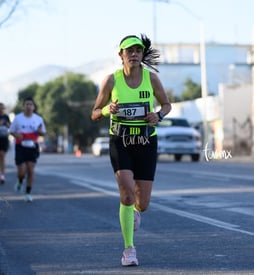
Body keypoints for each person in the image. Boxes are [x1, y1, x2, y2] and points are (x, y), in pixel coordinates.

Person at [91, 34, 171, 266]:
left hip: (146, 142)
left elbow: (166, 104)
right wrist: (108, 109)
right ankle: (129, 249)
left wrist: (159, 115)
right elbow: (94, 112)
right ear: (121, 55)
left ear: (142, 54)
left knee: (142, 203)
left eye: (138, 50)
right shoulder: (111, 81)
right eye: (129, 51)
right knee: (126, 194)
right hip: (120, 142)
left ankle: (134, 212)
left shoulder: (151, 79)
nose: (134, 54)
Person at [9, 97, 46, 202]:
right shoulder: (18, 118)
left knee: (30, 169)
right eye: (27, 104)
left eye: (31, 104)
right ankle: (20, 181)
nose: (29, 106)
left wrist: (40, 131)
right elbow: (11, 131)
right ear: (23, 106)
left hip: (33, 146)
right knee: (22, 171)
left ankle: (28, 193)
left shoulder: (38, 119)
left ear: (33, 107)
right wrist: (16, 135)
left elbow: (43, 132)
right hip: (20, 146)